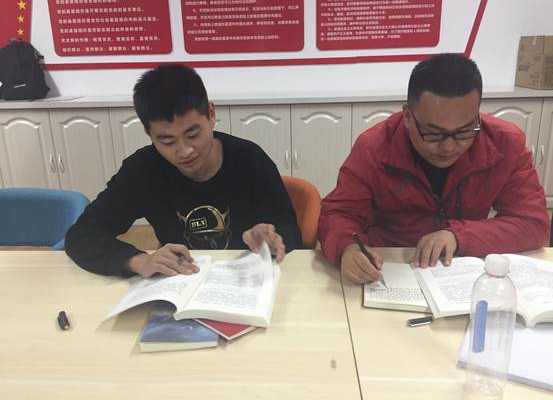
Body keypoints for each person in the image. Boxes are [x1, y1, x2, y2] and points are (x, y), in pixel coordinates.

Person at [318, 53, 549, 284]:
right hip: (391, 266)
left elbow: (533, 224)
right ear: (408, 116)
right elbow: (338, 213)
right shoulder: (374, 147)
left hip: (461, 267)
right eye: (433, 133)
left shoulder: (504, 143)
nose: (448, 147)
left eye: (464, 131)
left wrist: (459, 236)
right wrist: (347, 248)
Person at [65, 64, 301, 278]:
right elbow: (82, 236)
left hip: (245, 279)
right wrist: (139, 261)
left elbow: (289, 230)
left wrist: (271, 238)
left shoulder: (249, 159)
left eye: (193, 134)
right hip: (181, 283)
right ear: (149, 134)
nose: (185, 150)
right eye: (167, 141)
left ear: (211, 114)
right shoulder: (142, 171)